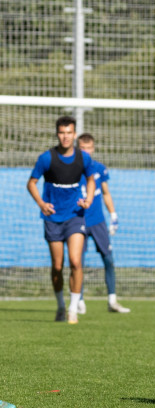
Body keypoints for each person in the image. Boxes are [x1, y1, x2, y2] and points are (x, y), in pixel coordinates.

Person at [27, 115, 96, 324]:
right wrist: (41, 203)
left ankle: (73, 310)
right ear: (57, 134)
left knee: (76, 261)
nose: (65, 137)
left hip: (75, 216)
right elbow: (31, 183)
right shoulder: (46, 158)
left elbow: (91, 179)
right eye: (62, 133)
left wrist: (89, 199)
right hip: (53, 218)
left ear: (74, 135)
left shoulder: (83, 158)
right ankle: (60, 306)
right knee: (57, 266)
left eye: (69, 133)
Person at [77, 133, 130, 314]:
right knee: (78, 263)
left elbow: (106, 193)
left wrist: (113, 215)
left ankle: (112, 301)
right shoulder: (71, 170)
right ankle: (79, 301)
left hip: (98, 221)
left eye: (88, 148)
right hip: (78, 221)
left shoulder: (99, 169)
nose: (86, 151)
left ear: (93, 149)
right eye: (82, 148)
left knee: (108, 259)